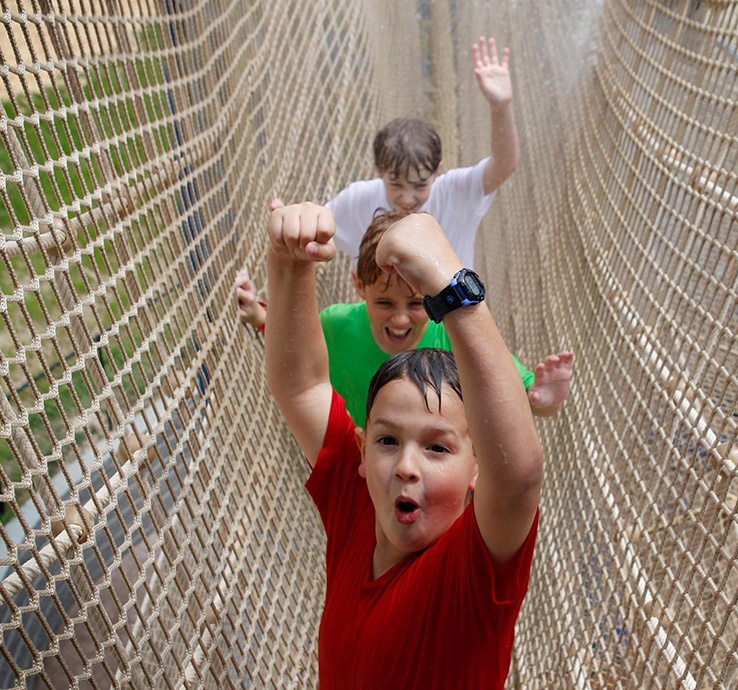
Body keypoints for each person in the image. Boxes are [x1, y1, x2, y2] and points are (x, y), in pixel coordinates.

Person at [264, 202, 542, 688]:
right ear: (361, 453)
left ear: (478, 468)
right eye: (388, 440)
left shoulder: (471, 573)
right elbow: (303, 386)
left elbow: (518, 478)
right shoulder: (357, 507)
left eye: (438, 449)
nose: (406, 466)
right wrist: (288, 261)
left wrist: (454, 287)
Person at [236, 35, 517, 330]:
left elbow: (504, 164)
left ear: (437, 172)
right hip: (385, 322)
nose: (408, 198)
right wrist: (294, 227)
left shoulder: (455, 192)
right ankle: (262, 317)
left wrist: (501, 107)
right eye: (396, 185)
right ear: (378, 170)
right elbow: (319, 238)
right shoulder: (359, 199)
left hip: (447, 325)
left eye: (420, 186)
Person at [321, 209, 573, 426]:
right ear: (359, 285)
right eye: (384, 303)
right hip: (358, 460)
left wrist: (541, 399)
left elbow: (514, 387)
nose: (400, 320)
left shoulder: (454, 334)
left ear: (432, 293)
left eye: (415, 304)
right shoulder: (334, 326)